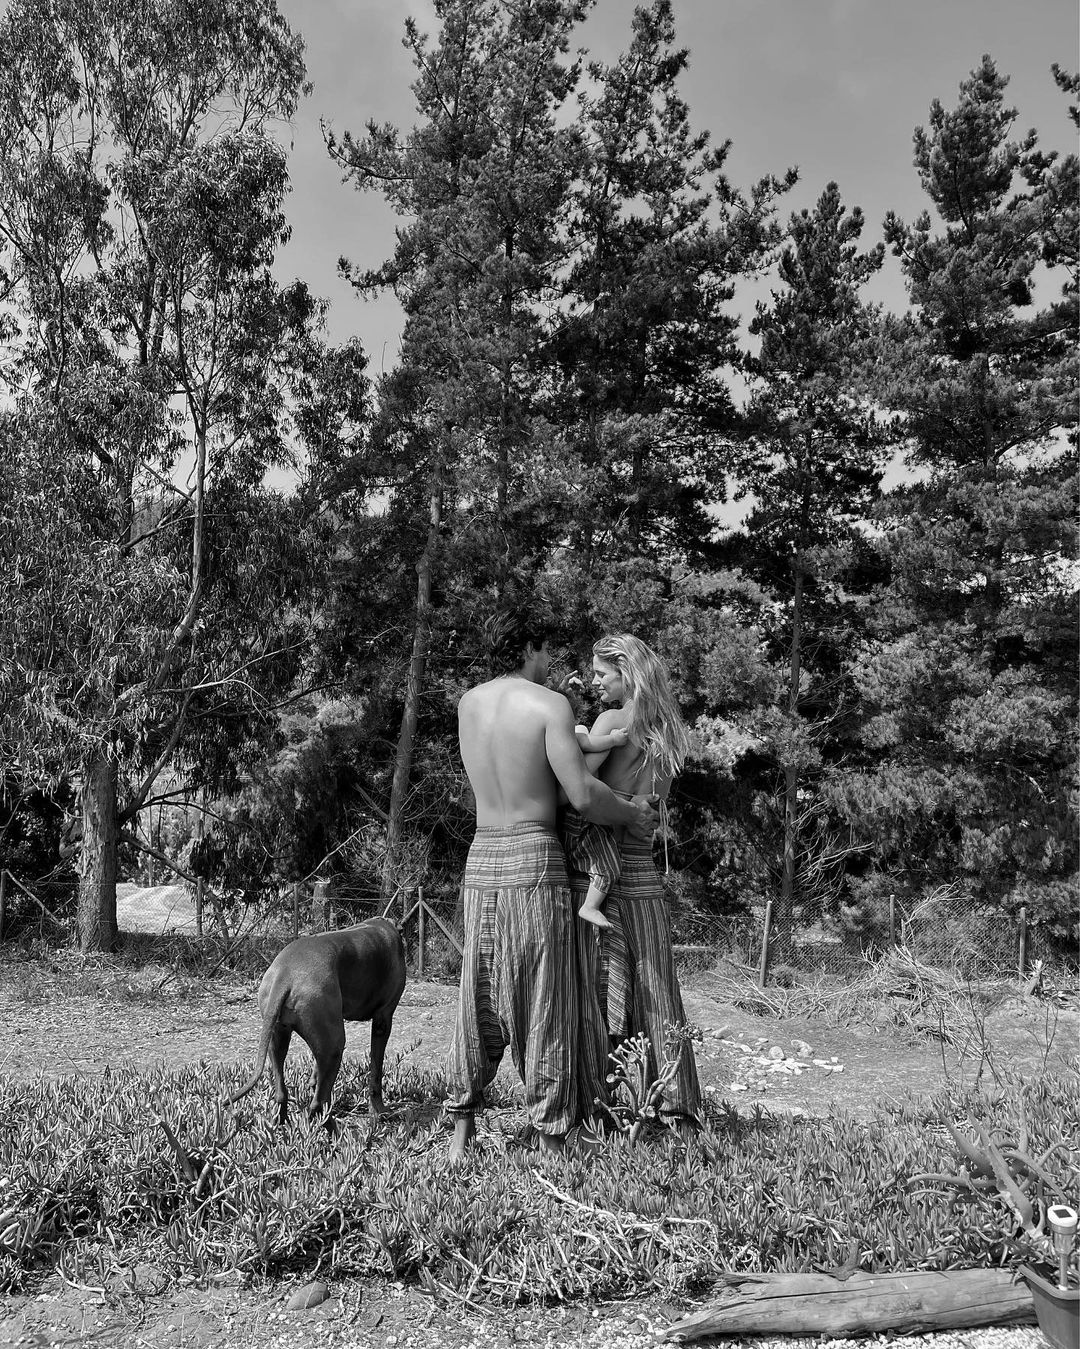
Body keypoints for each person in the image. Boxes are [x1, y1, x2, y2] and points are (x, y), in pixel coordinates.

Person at [446, 610, 659, 1162]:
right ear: (531, 646)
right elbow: (584, 795)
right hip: (534, 859)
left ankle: (460, 1137)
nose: (551, 665)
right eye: (546, 653)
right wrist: (633, 815)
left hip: (482, 855)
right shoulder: (548, 706)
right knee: (547, 997)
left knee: (479, 990)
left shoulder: (468, 705)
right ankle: (550, 1135)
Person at [572, 633, 702, 1128]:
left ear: (627, 672)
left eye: (603, 674)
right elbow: (653, 804)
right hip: (648, 875)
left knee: (607, 991)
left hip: (607, 869)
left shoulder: (611, 723)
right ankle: (674, 1106)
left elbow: (578, 790)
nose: (596, 683)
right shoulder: (667, 732)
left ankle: (609, 1109)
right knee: (657, 990)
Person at [563, 722, 631, 928]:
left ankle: (589, 904)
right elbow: (585, 741)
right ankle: (590, 906)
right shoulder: (575, 731)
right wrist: (613, 739)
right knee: (608, 867)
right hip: (580, 812)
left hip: (571, 814)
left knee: (590, 859)